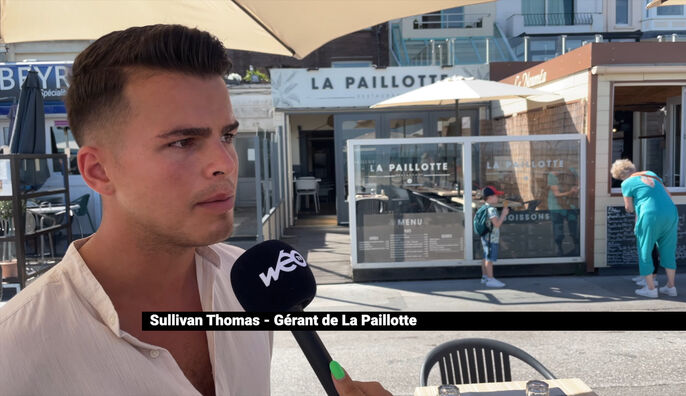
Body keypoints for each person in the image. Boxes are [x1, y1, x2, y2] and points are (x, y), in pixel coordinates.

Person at [0, 24, 389, 396]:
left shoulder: (251, 288)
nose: (225, 162)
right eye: (184, 142)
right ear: (98, 171)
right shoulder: (16, 353)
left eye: (227, 136)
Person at [610, 159, 678, 298]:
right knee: (668, 250)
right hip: (671, 213)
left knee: (645, 250)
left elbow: (629, 208)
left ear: (621, 176)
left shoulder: (626, 183)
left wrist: (638, 205)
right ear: (632, 168)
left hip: (650, 216)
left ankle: (651, 289)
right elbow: (669, 195)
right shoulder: (651, 173)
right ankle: (671, 287)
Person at [479, 186, 509, 288]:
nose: (498, 198)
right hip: (491, 238)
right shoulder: (491, 209)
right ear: (490, 197)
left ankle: (484, 277)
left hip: (486, 236)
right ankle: (491, 279)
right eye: (496, 196)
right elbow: (497, 224)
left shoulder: (485, 207)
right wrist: (504, 214)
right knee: (489, 259)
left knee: (485, 257)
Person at [546, 168, 579, 256]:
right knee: (558, 227)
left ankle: (577, 248)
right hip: (556, 206)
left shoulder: (572, 171)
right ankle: (559, 248)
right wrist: (571, 192)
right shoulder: (552, 175)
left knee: (573, 226)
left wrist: (577, 188)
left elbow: (579, 182)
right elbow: (556, 194)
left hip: (570, 205)